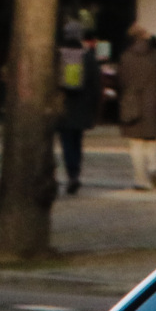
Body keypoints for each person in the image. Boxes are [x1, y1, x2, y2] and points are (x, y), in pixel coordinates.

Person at [116, 25, 156, 190]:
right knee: (151, 142)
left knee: (136, 144)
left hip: (132, 105)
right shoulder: (155, 57)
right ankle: (154, 168)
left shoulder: (126, 57)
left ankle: (141, 179)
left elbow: (121, 82)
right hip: (152, 104)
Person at [54, 21, 101, 195]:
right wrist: (96, 109)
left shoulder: (57, 56)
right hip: (82, 107)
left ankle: (71, 173)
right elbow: (96, 85)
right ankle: (76, 172)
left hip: (63, 106)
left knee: (66, 142)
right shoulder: (88, 57)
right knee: (77, 141)